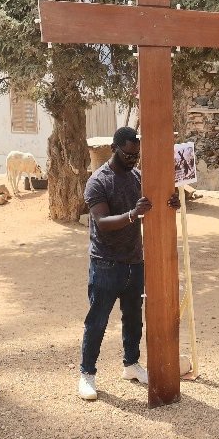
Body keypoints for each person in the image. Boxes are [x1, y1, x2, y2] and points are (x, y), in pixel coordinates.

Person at [78, 127, 180, 401]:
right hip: (106, 263)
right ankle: (87, 374)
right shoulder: (98, 181)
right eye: (128, 154)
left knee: (133, 319)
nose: (133, 159)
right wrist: (133, 215)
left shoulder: (137, 178)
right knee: (97, 321)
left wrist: (172, 203)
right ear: (114, 148)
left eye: (136, 155)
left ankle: (131, 364)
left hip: (135, 261)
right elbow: (102, 223)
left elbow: (155, 205)